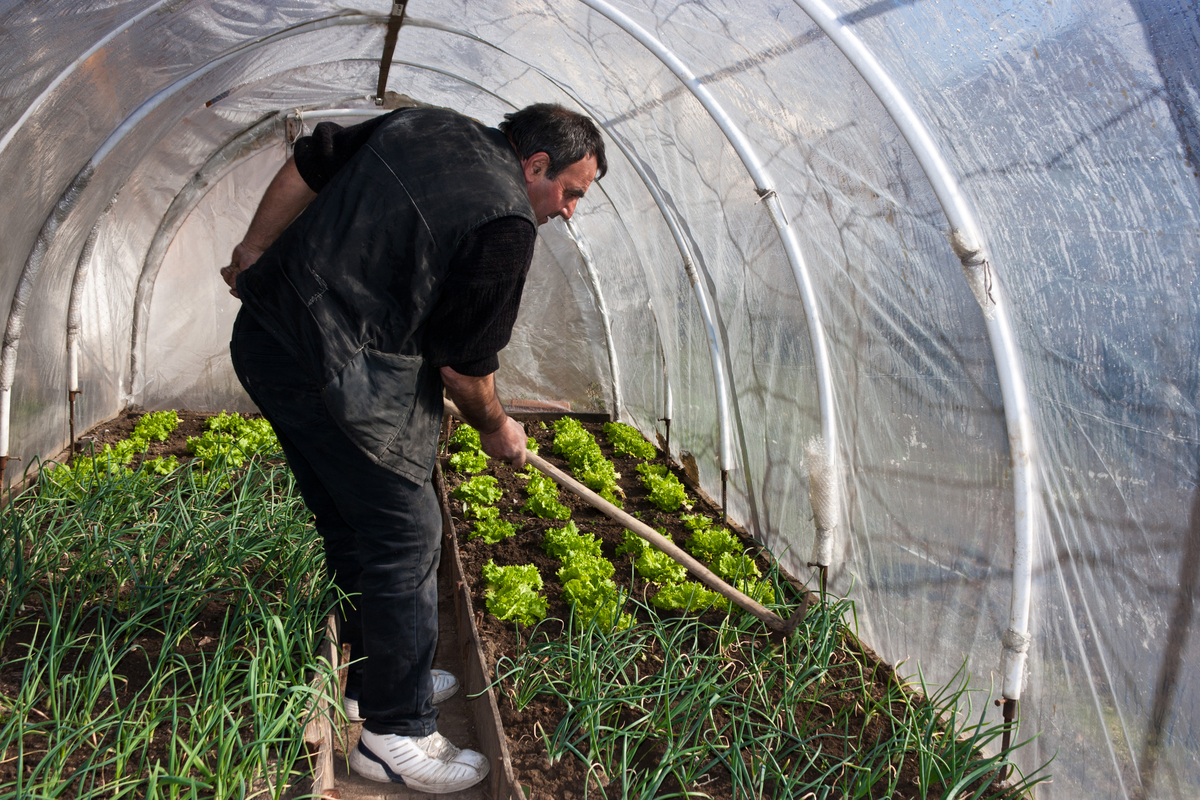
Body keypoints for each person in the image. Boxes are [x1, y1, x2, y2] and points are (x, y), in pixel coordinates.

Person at [223, 103, 605, 792]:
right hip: (331, 365)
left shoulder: (426, 123)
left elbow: (310, 163)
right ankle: (393, 733)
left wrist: (255, 246)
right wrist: (497, 427)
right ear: (536, 165)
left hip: (270, 336)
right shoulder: (507, 221)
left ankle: (376, 679)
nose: (569, 210)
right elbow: (462, 364)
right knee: (406, 528)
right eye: (570, 192)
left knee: (355, 519)